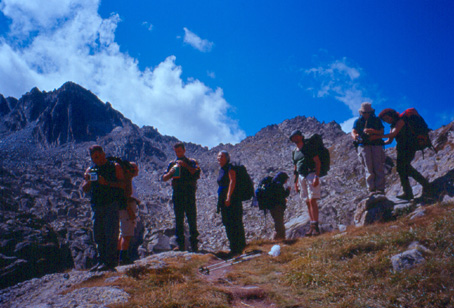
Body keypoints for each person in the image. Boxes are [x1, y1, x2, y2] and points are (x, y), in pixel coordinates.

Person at [82, 145, 125, 271]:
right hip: (96, 205)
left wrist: (107, 183)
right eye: (94, 157)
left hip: (111, 204)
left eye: (99, 156)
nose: (98, 159)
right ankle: (101, 261)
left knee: (111, 233)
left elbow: (122, 184)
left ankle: (110, 262)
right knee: (98, 234)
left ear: (104, 153)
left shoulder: (114, 166)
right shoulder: (90, 170)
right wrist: (89, 181)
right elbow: (84, 188)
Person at [375, 109, 432, 200]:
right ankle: (413, 190)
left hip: (410, 146)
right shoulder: (393, 125)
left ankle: (421, 187)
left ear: (391, 115)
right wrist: (377, 142)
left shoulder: (401, 120)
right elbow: (389, 141)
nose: (387, 120)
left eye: (387, 118)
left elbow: (393, 134)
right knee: (402, 169)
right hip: (402, 148)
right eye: (385, 120)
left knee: (403, 167)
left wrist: (376, 137)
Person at [162, 142, 201, 252]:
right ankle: (180, 245)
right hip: (177, 194)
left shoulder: (192, 162)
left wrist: (186, 166)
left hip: (189, 194)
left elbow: (197, 173)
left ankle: (194, 244)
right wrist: (171, 172)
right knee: (179, 219)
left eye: (180, 151)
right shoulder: (172, 163)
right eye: (176, 152)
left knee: (192, 218)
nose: (178, 153)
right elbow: (164, 178)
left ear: (184, 150)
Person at [290, 130, 322, 236]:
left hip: (311, 174)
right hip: (301, 176)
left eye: (296, 136)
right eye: (293, 137)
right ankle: (312, 226)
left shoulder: (308, 147)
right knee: (307, 201)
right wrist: (295, 182)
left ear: (300, 137)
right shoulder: (295, 152)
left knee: (312, 200)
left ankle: (315, 226)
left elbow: (317, 161)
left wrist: (316, 176)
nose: (294, 138)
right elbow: (295, 168)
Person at [351, 102, 386, 195]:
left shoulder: (376, 120)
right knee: (368, 167)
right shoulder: (358, 121)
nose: (366, 114)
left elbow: (382, 132)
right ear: (361, 113)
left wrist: (372, 131)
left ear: (371, 112)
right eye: (364, 113)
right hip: (363, 145)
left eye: (367, 113)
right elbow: (353, 131)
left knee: (378, 166)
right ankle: (371, 189)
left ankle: (380, 188)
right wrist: (356, 136)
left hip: (376, 145)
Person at [216, 150, 246, 256]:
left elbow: (232, 181)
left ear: (227, 158)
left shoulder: (230, 167)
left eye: (222, 156)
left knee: (235, 223)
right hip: (224, 201)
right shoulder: (221, 170)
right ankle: (234, 247)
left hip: (233, 200)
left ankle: (239, 247)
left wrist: (228, 197)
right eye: (219, 156)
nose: (220, 158)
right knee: (228, 223)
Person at [118, 163, 139, 265]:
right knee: (127, 235)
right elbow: (125, 197)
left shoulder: (127, 180)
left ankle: (118, 257)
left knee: (123, 233)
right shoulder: (127, 180)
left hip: (127, 207)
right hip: (128, 208)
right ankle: (123, 258)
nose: (137, 170)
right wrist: (130, 210)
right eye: (135, 168)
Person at [268, 172, 290, 241]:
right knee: (280, 226)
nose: (286, 181)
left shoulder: (273, 184)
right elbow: (283, 195)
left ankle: (279, 240)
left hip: (272, 208)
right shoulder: (279, 185)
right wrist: (288, 190)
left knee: (278, 224)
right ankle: (280, 240)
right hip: (277, 208)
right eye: (286, 179)